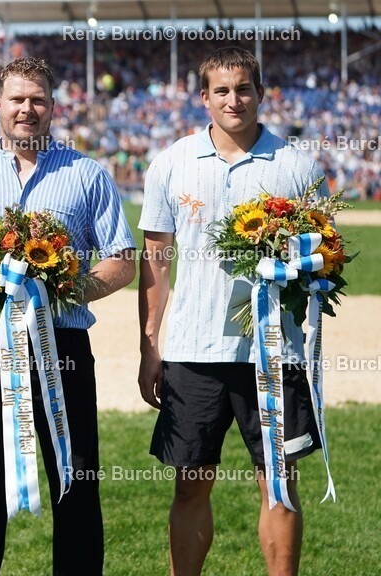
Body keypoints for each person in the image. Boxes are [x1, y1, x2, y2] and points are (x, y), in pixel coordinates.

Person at [0, 57, 135, 575]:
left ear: (53, 107)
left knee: (76, 476)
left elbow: (122, 260)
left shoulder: (86, 175)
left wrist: (63, 291)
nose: (27, 109)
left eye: (37, 99)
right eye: (17, 99)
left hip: (61, 349)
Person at [137, 46, 326, 576]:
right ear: (204, 98)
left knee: (279, 483)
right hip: (193, 352)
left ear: (261, 93)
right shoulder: (171, 162)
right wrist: (150, 346)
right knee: (190, 485)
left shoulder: (297, 166)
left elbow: (323, 258)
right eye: (221, 90)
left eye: (244, 88)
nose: (233, 99)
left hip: (274, 351)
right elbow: (155, 262)